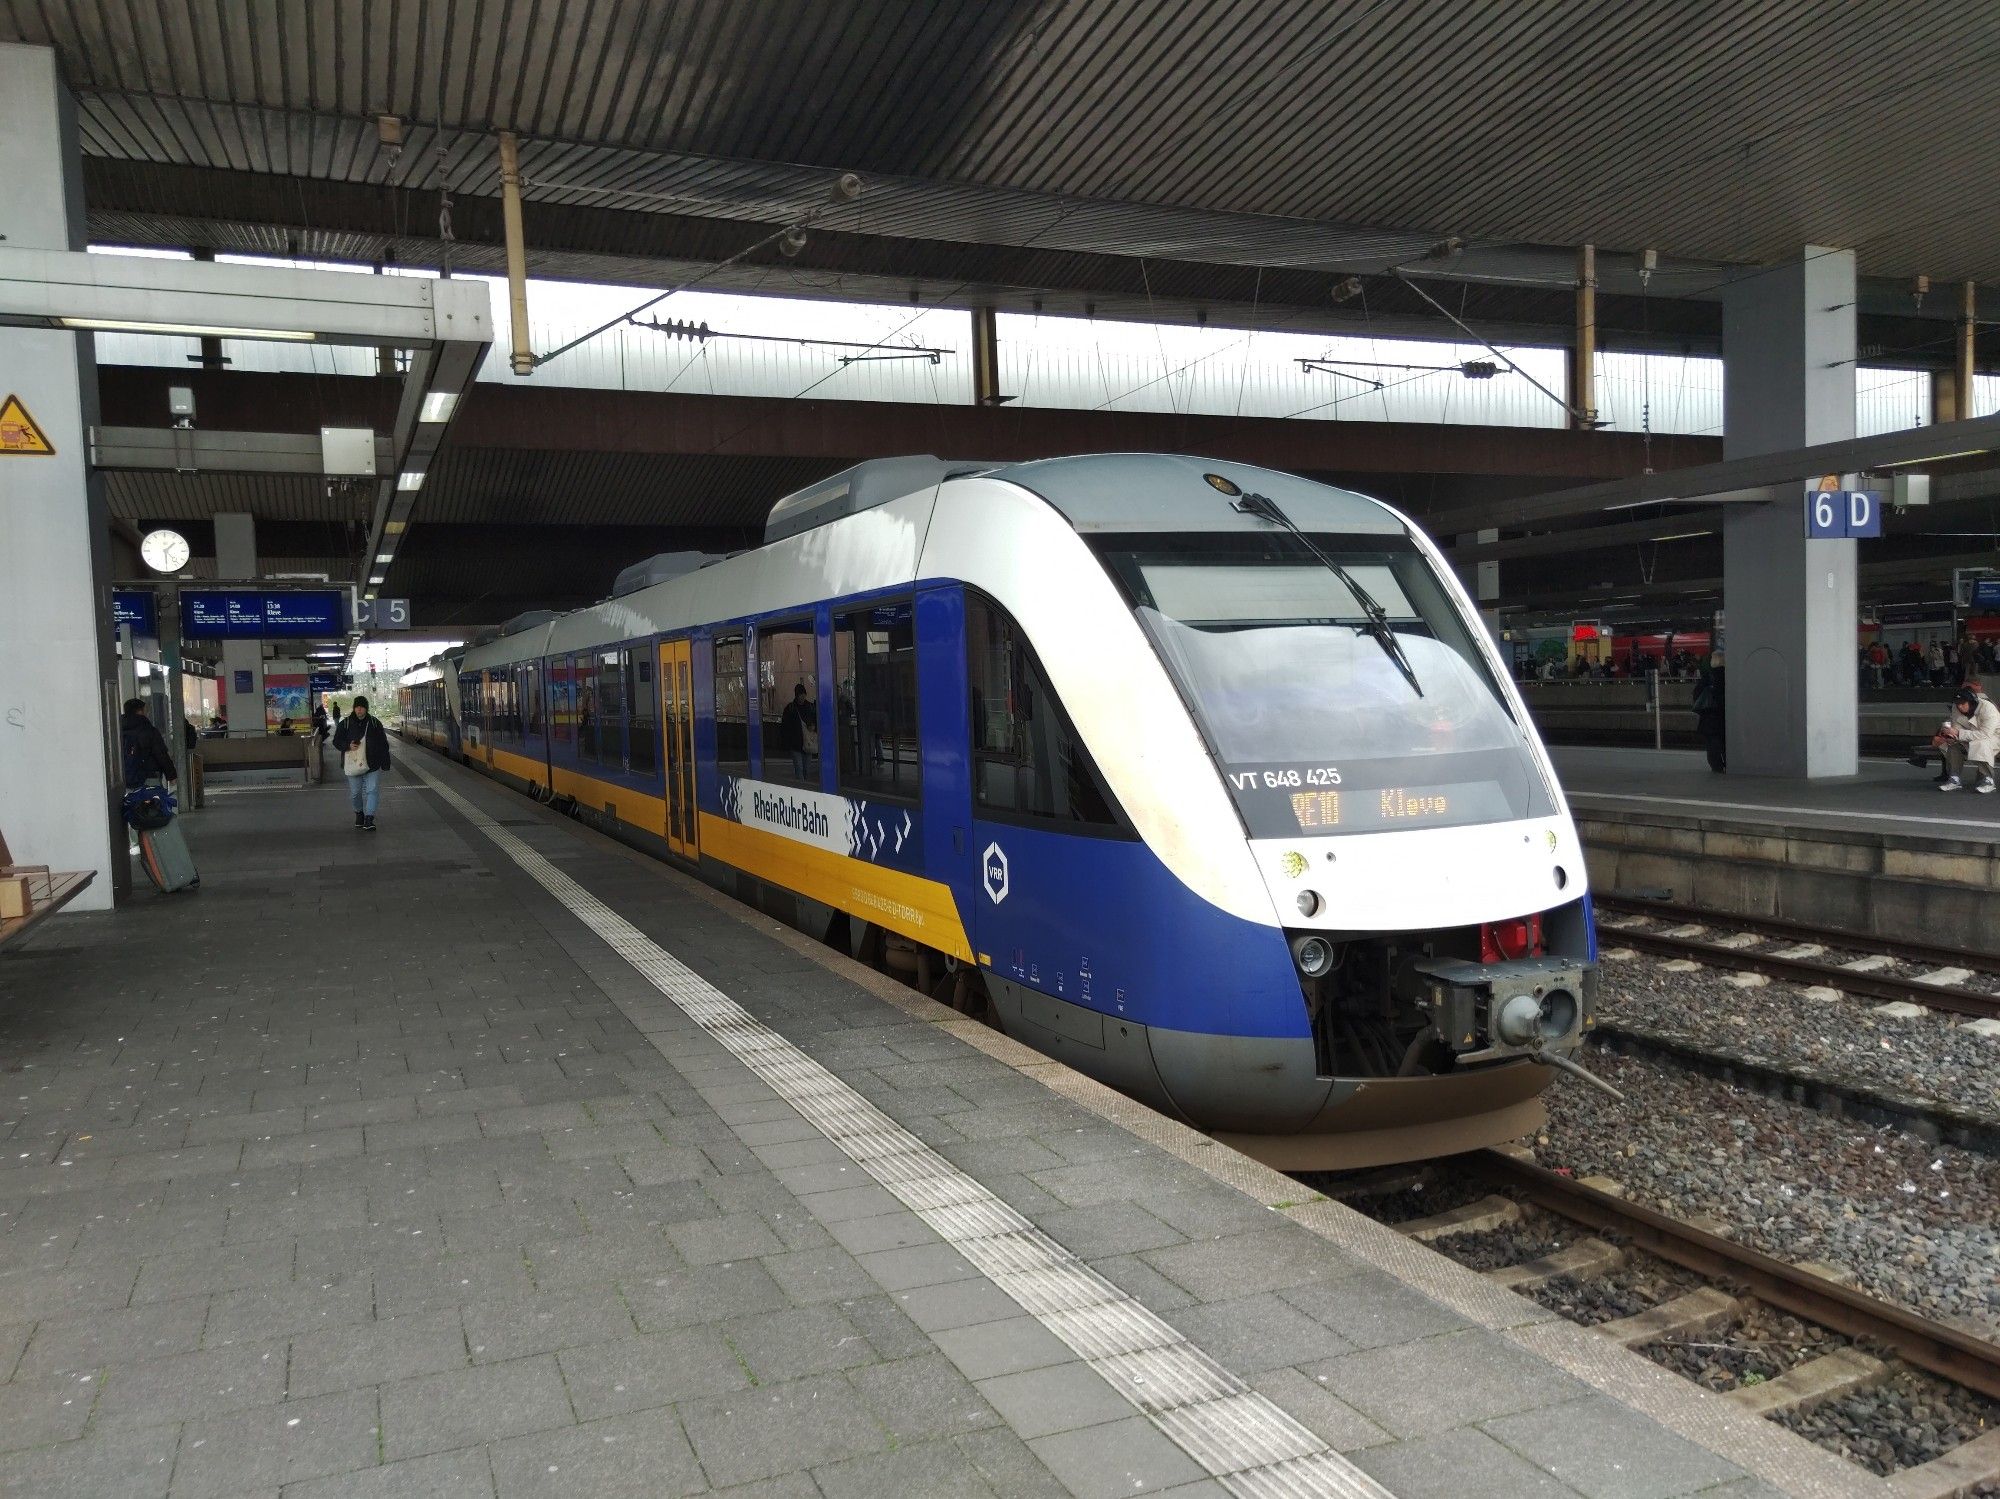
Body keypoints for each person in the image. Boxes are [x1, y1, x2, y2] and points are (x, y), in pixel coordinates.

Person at [332, 696, 392, 831]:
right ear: (354, 708)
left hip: (373, 764)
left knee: (372, 790)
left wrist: (385, 762)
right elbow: (336, 741)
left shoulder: (375, 723)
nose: (359, 709)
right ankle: (359, 813)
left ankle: (369, 818)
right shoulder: (345, 723)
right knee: (355, 793)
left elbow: (383, 744)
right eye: (357, 707)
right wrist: (347, 745)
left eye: (362, 707)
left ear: (366, 708)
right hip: (353, 764)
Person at [1937, 684, 2000, 792]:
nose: (1960, 706)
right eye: (1957, 704)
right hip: (1969, 734)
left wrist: (1958, 733)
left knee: (1981, 744)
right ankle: (1954, 778)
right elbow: (1956, 725)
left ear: (1971, 702)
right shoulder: (1956, 707)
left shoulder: (1988, 708)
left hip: (1994, 736)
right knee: (1952, 744)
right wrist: (1952, 736)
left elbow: (1985, 734)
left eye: (1963, 703)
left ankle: (1988, 780)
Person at [119, 698, 177, 789]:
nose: (147, 713)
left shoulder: (118, 731)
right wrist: (171, 776)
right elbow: (161, 754)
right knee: (154, 802)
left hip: (125, 779)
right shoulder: (149, 730)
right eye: (145, 710)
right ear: (139, 711)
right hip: (150, 777)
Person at [1693, 653, 1726, 772]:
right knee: (1726, 743)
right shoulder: (1730, 676)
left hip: (1709, 717)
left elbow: (1697, 695)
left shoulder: (1708, 677)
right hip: (1725, 716)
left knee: (1712, 745)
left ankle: (1717, 768)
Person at [777, 682, 816, 779]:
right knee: (800, 769)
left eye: (803, 694)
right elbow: (785, 728)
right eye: (800, 695)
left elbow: (784, 727)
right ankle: (803, 788)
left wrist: (814, 726)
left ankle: (804, 787)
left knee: (805, 769)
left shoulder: (792, 708)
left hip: (804, 743)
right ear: (797, 695)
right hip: (797, 744)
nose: (802, 697)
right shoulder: (796, 708)